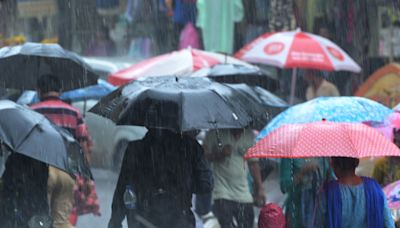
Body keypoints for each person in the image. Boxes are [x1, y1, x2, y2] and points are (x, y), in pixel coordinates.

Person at [108, 128, 213, 228]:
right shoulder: (190, 147)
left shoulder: (135, 148)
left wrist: (115, 222)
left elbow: (122, 189)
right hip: (180, 219)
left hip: (142, 219)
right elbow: (206, 184)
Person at [31, 74, 93, 228]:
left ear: (39, 91)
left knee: (39, 220)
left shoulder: (30, 112)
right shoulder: (74, 113)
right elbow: (83, 146)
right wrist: (86, 177)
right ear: (60, 90)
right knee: (61, 220)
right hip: (67, 172)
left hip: (41, 173)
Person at [203, 128, 265, 228]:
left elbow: (253, 164)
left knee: (247, 224)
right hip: (222, 192)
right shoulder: (215, 133)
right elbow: (203, 156)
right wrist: (220, 154)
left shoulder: (249, 135)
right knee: (226, 224)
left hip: (243, 193)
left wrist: (260, 189)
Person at [314, 157, 395, 228]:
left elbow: (318, 224)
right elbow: (388, 224)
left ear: (334, 164)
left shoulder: (327, 193)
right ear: (356, 162)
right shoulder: (374, 189)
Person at [0, 153, 50, 228]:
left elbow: (8, 187)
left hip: (19, 208)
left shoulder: (15, 158)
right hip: (34, 208)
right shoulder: (42, 162)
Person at [280, 158, 332, 228]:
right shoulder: (290, 154)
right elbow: (284, 186)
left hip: (319, 212)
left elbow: (330, 180)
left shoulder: (322, 154)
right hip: (297, 213)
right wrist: (302, 172)